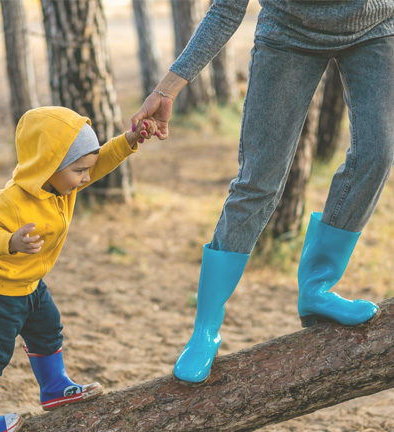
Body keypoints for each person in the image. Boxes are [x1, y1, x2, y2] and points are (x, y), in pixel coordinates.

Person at [131, 0, 393, 385]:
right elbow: (226, 9)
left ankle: (317, 288)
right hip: (288, 33)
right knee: (259, 181)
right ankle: (205, 329)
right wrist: (169, 88)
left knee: (377, 156)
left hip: (376, 26)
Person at [0, 106, 157, 432]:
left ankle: (54, 388)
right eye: (79, 170)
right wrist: (11, 241)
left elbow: (100, 161)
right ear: (49, 165)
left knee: (48, 330)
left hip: (30, 284)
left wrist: (130, 139)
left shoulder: (64, 185)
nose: (86, 178)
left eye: (85, 170)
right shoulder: (12, 200)